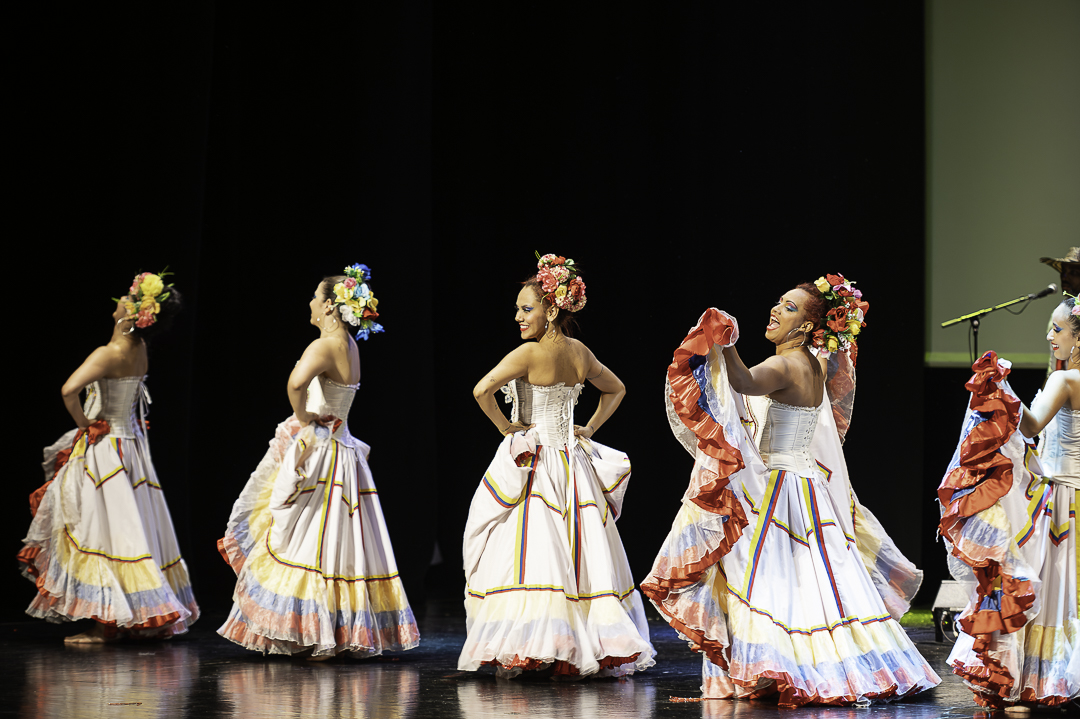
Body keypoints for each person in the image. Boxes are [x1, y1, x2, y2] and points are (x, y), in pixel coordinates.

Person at [643, 275, 940, 707]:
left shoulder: (786, 365)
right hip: (806, 485)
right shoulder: (815, 364)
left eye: (789, 308)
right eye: (779, 302)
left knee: (767, 578)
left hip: (782, 486)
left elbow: (742, 382)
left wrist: (723, 340)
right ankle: (826, 663)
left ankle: (776, 667)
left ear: (805, 327)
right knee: (815, 581)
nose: (776, 310)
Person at [458, 253, 655, 678]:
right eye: (517, 308)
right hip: (572, 464)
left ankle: (537, 644)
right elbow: (616, 389)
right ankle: (580, 641)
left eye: (525, 308)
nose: (517, 316)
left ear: (551, 310)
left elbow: (481, 390)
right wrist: (587, 429)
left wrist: (508, 431)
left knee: (536, 552)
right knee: (579, 552)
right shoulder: (579, 352)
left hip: (540, 461)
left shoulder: (529, 354)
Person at [217, 264, 419, 659]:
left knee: (306, 539)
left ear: (329, 306)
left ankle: (313, 632)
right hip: (341, 450)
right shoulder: (350, 345)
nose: (309, 303)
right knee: (334, 544)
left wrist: (304, 418)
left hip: (321, 447)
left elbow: (295, 384)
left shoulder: (324, 345)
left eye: (315, 297)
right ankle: (333, 631)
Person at [18, 270, 198, 642]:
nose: (120, 301)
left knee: (106, 533)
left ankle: (107, 627)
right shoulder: (138, 349)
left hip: (108, 449)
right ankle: (127, 616)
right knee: (130, 531)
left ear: (134, 315)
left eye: (128, 299)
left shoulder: (109, 352)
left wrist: (85, 423)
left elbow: (69, 389)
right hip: (131, 448)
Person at [939, 298, 1080, 710]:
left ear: (1078, 337)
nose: (1049, 337)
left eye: (1057, 329)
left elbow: (1032, 424)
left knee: (1046, 585)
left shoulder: (1066, 380)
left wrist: (998, 388)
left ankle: (1032, 680)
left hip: (1063, 502)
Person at [1040, 248, 1080, 374]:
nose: (1064, 278)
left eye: (1073, 273)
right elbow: (1053, 367)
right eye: (1063, 272)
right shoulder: (1058, 314)